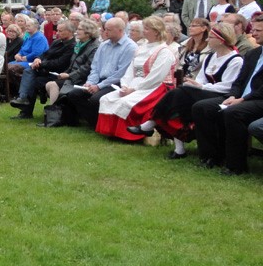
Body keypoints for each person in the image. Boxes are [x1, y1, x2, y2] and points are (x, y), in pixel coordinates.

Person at [132, 23, 243, 159]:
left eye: (211, 37)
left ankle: (151, 124)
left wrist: (201, 87)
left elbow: (228, 86)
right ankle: (177, 147)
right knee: (179, 102)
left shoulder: (235, 60)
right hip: (205, 91)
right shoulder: (211, 57)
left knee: (179, 94)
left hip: (221, 95)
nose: (207, 39)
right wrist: (196, 84)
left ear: (221, 40)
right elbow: (201, 78)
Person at [191, 17, 263, 175]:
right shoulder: (253, 54)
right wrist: (232, 96)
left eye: (258, 30)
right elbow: (239, 81)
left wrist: (242, 99)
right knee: (202, 107)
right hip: (240, 98)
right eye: (253, 29)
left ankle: (236, 165)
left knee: (233, 113)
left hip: (258, 99)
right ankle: (210, 156)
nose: (253, 33)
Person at [95, 16, 176, 141]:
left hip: (156, 87)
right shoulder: (142, 47)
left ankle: (129, 135)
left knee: (125, 102)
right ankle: (111, 132)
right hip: (135, 84)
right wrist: (125, 85)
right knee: (106, 99)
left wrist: (133, 90)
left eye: (147, 29)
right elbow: (130, 70)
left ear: (156, 31)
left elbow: (156, 77)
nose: (144, 31)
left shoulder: (164, 51)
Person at [62, 17, 137, 126]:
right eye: (105, 29)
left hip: (117, 83)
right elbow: (95, 67)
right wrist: (90, 82)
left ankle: (99, 123)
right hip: (99, 80)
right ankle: (94, 121)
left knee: (95, 99)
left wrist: (99, 86)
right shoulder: (104, 45)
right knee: (74, 94)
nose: (105, 32)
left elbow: (120, 74)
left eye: (109, 30)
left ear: (120, 30)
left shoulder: (130, 47)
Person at [37, 18, 101, 127]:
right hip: (74, 76)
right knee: (50, 84)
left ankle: (54, 118)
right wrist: (65, 73)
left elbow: (87, 67)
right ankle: (54, 116)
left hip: (84, 79)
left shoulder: (94, 47)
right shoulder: (80, 44)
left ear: (88, 32)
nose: (77, 31)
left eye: (80, 29)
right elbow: (72, 64)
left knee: (53, 85)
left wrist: (69, 75)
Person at [9, 18, 76, 120]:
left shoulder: (72, 46)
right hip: (46, 70)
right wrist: (38, 59)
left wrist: (41, 64)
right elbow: (45, 54)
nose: (57, 33)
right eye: (57, 30)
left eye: (60, 31)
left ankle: (24, 105)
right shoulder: (57, 42)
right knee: (29, 72)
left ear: (70, 32)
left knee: (31, 78)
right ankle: (23, 102)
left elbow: (60, 63)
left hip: (58, 74)